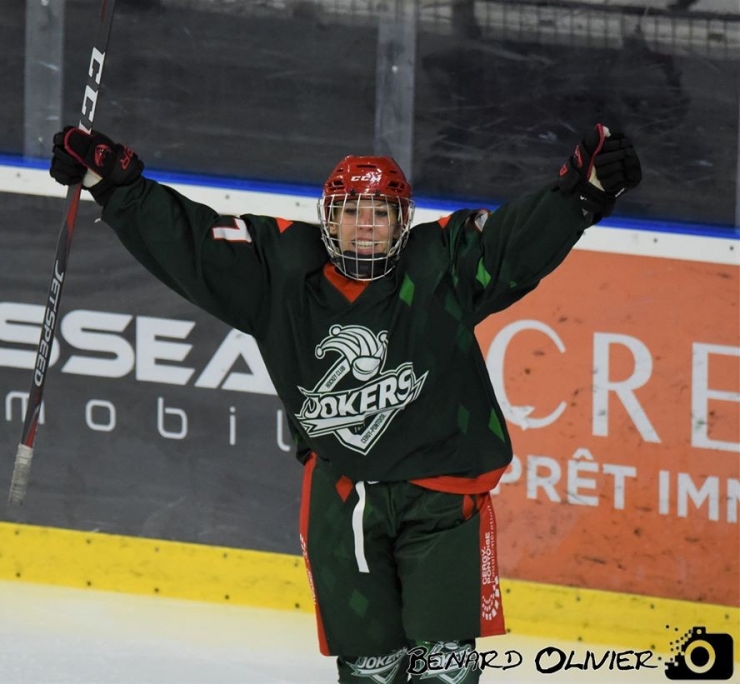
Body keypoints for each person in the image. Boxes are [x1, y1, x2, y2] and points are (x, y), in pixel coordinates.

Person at [50, 124, 641, 683]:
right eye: (352, 212)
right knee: (370, 669)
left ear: (401, 222)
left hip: (444, 500)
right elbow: (194, 247)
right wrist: (117, 187)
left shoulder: (445, 262)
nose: (365, 226)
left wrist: (582, 193)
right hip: (343, 500)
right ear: (327, 219)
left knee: (444, 666)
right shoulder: (279, 269)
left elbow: (516, 241)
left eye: (380, 214)